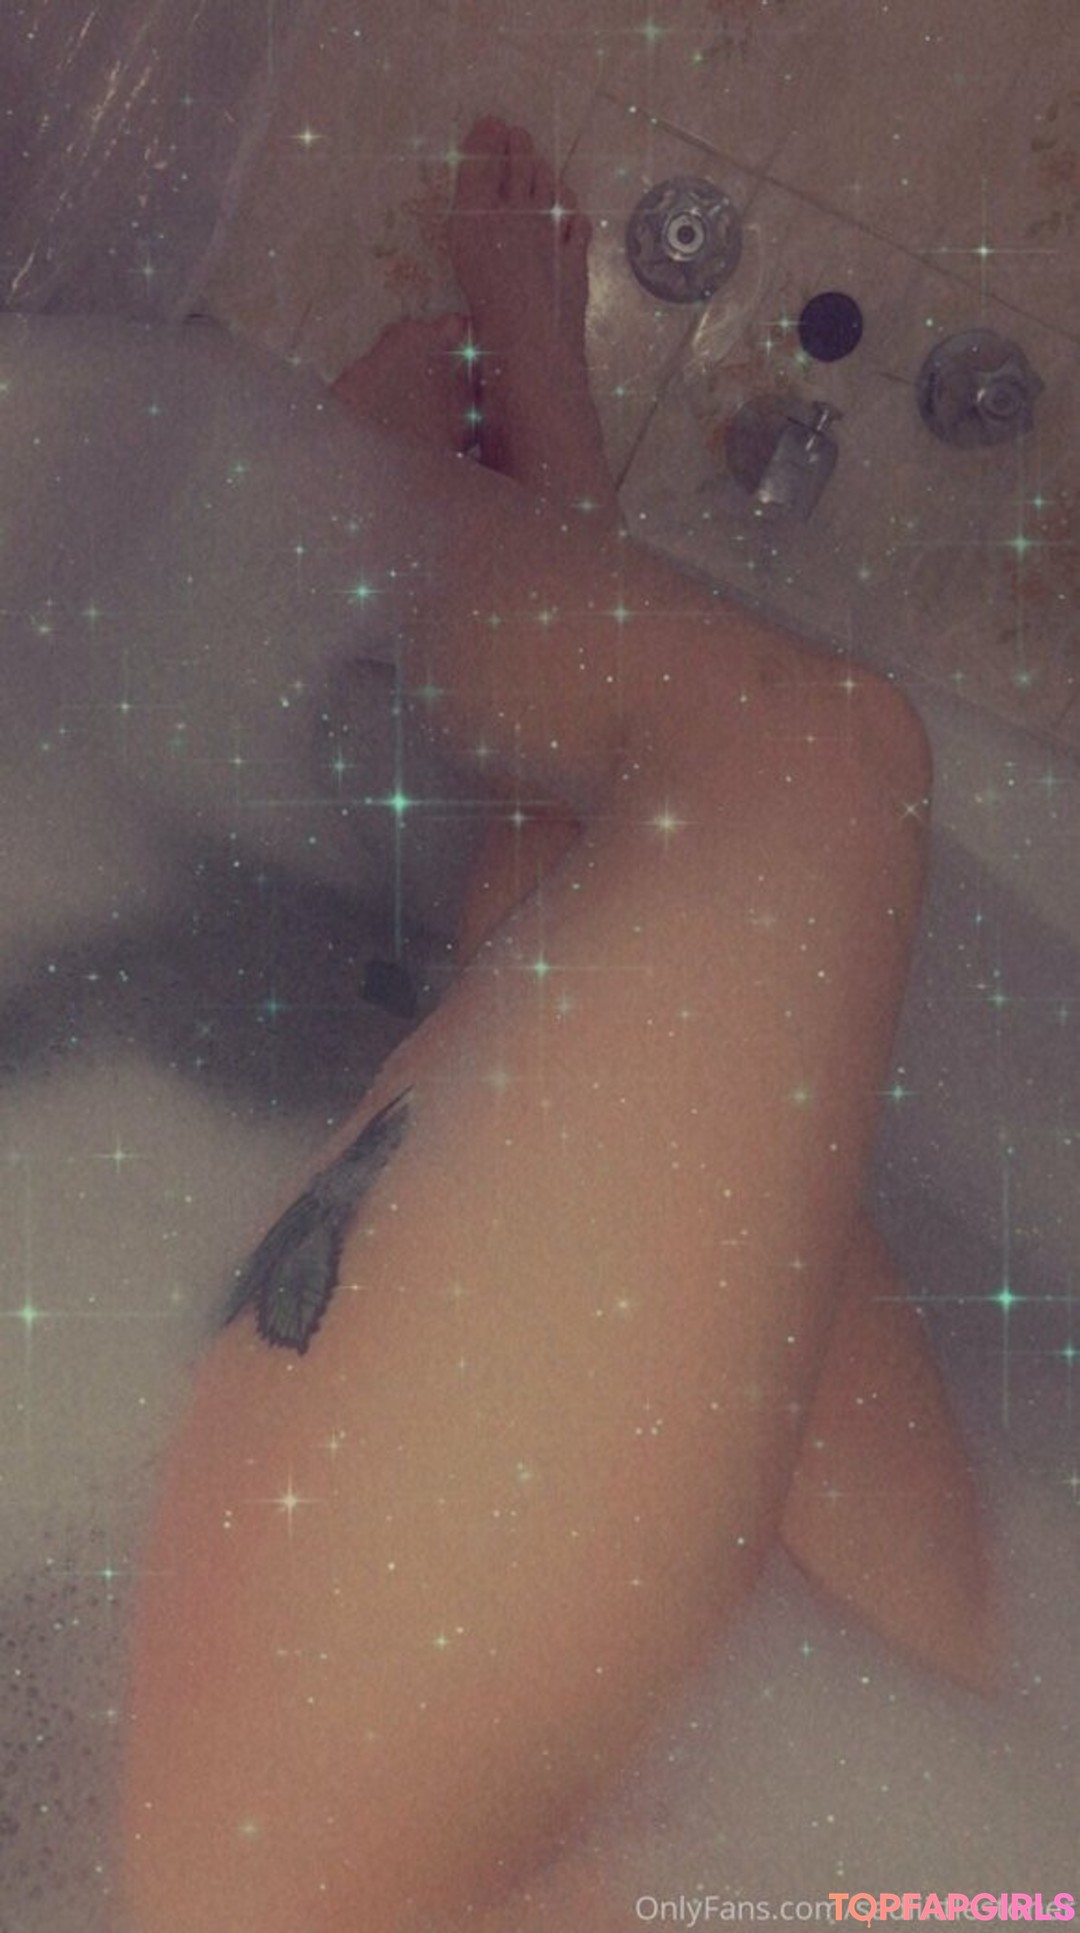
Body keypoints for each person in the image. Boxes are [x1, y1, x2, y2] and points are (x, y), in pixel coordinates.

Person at [119, 117, 989, 1932]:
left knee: (805, 772)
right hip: (939, 1854)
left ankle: (364, 504)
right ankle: (538, 503)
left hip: (325, 1889)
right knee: (747, 1128)